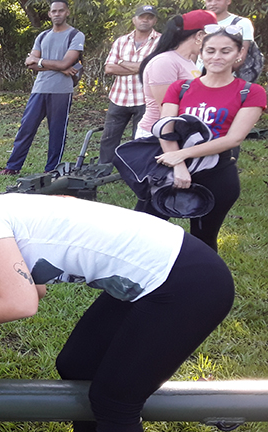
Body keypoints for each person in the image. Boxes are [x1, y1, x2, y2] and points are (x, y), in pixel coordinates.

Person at [0, 169, 234, 432]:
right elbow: (34, 287)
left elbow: (20, 303)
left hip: (186, 282)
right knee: (77, 362)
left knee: (115, 401)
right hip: (161, 276)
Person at [151, 26, 266, 251]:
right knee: (144, 230)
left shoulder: (251, 92)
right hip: (169, 169)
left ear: (238, 54)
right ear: (201, 53)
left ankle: (203, 283)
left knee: (202, 242)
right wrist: (178, 166)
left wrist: (181, 155)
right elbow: (165, 128)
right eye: (210, 50)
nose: (217, 57)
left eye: (225, 51)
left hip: (217, 173)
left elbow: (233, 139)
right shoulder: (181, 87)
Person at [0, 0, 85, 176]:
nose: (57, 14)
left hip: (61, 90)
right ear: (49, 14)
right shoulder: (42, 36)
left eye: (61, 11)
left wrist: (42, 61)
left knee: (57, 132)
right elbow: (30, 64)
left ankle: (51, 170)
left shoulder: (75, 35)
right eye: (54, 11)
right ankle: (12, 167)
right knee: (26, 128)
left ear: (67, 13)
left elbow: (65, 62)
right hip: (39, 88)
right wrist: (58, 66)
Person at [135, 10, 217, 138]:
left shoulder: (188, 61)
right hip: (157, 136)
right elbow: (166, 112)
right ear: (200, 35)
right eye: (213, 37)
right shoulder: (165, 62)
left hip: (179, 133)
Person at [98, 5, 161, 164]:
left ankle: (135, 169)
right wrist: (140, 67)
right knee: (109, 137)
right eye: (142, 16)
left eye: (149, 17)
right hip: (119, 96)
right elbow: (109, 68)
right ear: (134, 20)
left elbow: (154, 69)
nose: (145, 20)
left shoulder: (161, 41)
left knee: (140, 138)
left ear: (154, 20)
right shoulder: (121, 41)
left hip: (145, 99)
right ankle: (103, 169)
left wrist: (121, 62)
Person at [201, 0, 257, 80]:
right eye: (209, 0)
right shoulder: (201, 23)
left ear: (228, 1)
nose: (213, 3)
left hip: (230, 80)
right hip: (199, 77)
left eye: (218, 0)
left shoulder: (242, 23)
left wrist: (217, 75)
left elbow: (242, 55)